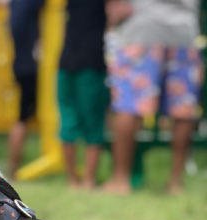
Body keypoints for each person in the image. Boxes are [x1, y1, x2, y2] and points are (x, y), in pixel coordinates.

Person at [103, 0, 203, 195]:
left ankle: (120, 181)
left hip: (142, 27)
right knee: (183, 108)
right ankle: (175, 183)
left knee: (128, 105)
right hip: (185, 30)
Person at [57, 0, 109, 190]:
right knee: (93, 124)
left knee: (68, 121)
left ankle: (72, 181)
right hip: (91, 64)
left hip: (66, 62)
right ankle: (88, 181)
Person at [8, 0, 44, 180]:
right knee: (22, 117)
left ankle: (13, 168)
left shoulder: (16, 4)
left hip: (22, 64)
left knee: (22, 116)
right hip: (31, 67)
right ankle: (13, 169)